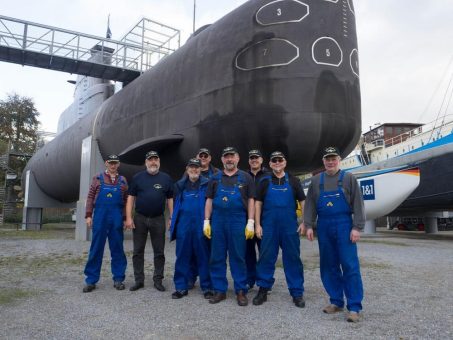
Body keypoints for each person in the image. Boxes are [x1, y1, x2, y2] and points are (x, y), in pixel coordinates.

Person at [303, 146, 365, 323]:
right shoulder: (316, 181)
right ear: (323, 161)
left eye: (333, 158)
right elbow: (310, 205)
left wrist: (357, 227)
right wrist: (308, 225)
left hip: (344, 225)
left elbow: (358, 204)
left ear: (339, 160)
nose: (330, 162)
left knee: (350, 266)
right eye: (327, 159)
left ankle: (354, 307)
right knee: (328, 265)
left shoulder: (349, 179)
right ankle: (336, 301)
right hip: (324, 226)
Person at [252, 151, 306, 307]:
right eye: (273, 160)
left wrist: (305, 222)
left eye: (279, 160)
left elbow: (303, 202)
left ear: (284, 162)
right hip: (269, 226)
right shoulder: (264, 181)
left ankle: (297, 293)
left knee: (293, 259)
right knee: (266, 258)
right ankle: (263, 290)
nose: (277, 162)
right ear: (269, 164)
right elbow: (258, 204)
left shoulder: (294, 181)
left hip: (289, 228)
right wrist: (257, 225)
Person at [204, 147, 255, 306]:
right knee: (217, 257)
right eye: (226, 157)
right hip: (218, 221)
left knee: (238, 256)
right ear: (222, 159)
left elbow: (252, 201)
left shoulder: (246, 178)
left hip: (238, 221)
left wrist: (251, 221)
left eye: (232, 156)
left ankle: (241, 290)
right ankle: (220, 290)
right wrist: (206, 220)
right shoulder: (214, 178)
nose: (229, 160)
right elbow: (209, 200)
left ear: (238, 158)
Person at [125, 150, 174, 292]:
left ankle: (158, 280)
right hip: (139, 218)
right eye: (150, 160)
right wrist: (129, 217)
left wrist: (172, 217)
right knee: (137, 251)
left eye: (155, 159)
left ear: (159, 162)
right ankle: (139, 280)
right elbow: (130, 198)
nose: (153, 162)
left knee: (159, 252)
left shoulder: (166, 179)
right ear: (146, 162)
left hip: (158, 219)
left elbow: (170, 199)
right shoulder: (137, 178)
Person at [83, 154, 128, 293]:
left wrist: (126, 218)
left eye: (115, 163)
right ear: (106, 163)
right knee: (96, 249)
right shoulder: (97, 178)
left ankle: (119, 278)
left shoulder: (123, 180)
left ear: (118, 164)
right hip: (100, 217)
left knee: (117, 249)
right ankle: (91, 280)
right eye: (110, 163)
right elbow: (90, 197)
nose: (113, 165)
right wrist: (89, 215)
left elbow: (126, 200)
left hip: (116, 218)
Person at [169, 158, 213, 299]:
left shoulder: (207, 184)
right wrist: (172, 222)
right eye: (191, 167)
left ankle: (207, 287)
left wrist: (209, 223)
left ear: (200, 169)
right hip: (184, 226)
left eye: (197, 168)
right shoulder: (180, 186)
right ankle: (181, 287)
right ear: (187, 169)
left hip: (201, 226)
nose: (194, 170)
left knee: (204, 257)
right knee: (182, 256)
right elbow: (175, 206)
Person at [246, 149, 270, 289]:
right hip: (247, 220)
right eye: (252, 158)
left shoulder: (269, 175)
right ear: (249, 161)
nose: (254, 160)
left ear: (261, 160)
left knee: (265, 253)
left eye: (257, 157)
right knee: (248, 252)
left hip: (264, 220)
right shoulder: (243, 176)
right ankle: (250, 280)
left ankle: (264, 282)